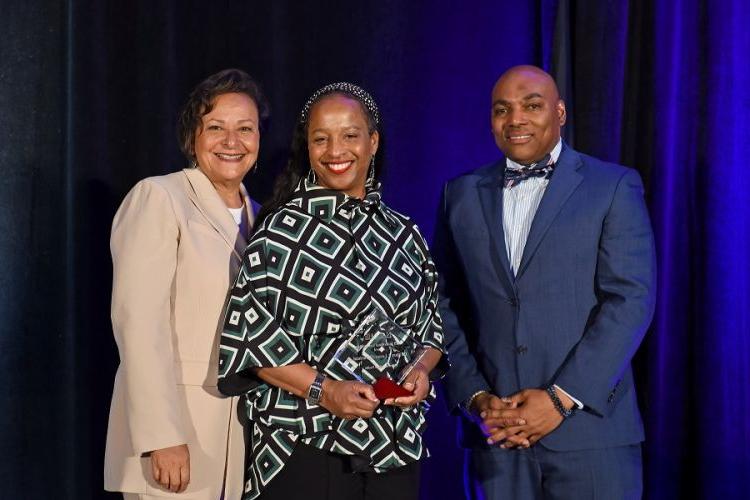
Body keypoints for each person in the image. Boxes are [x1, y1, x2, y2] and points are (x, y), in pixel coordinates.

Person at [434, 65, 656, 499]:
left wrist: (559, 399)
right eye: (503, 110)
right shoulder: (458, 194)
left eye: (532, 106)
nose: (516, 119)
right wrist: (476, 397)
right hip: (496, 440)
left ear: (560, 112)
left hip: (591, 437)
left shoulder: (613, 186)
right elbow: (442, 305)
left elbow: (630, 300)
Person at [217, 82, 447, 500]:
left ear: (373, 142)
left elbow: (432, 331)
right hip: (304, 443)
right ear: (307, 148)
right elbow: (251, 343)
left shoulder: (404, 234)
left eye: (350, 135)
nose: (335, 150)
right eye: (320, 138)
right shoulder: (279, 232)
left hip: (391, 444)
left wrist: (421, 373)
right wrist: (326, 390)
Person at [104, 68, 269, 499]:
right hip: (178, 436)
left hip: (241, 432)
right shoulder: (160, 197)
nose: (232, 142)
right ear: (191, 137)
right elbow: (138, 323)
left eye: (245, 129)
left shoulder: (262, 216)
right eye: (215, 127)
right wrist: (161, 434)